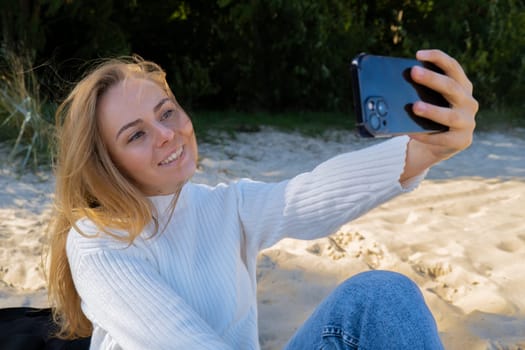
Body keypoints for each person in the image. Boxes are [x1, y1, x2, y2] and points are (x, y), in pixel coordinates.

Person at [46, 49, 478, 350]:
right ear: (106, 164)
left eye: (167, 112)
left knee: (383, 294)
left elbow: (304, 196)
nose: (166, 134)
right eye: (136, 134)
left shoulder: (223, 205)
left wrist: (427, 150)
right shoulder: (96, 243)